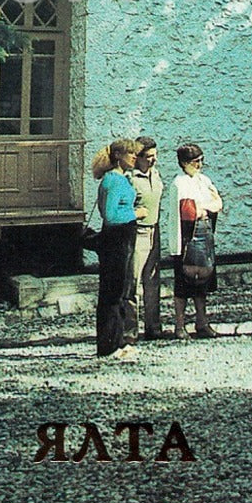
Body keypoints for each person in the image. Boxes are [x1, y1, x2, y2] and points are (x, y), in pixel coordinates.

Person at [92, 138, 146, 362]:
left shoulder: (122, 178)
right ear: (118, 156)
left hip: (124, 238)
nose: (134, 157)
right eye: (130, 154)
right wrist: (137, 214)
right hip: (116, 239)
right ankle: (107, 345)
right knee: (112, 293)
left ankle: (118, 340)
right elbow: (111, 216)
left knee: (121, 291)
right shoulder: (112, 181)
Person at [169, 142, 223, 341]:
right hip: (187, 236)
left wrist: (204, 207)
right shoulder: (179, 183)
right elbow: (188, 212)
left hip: (205, 232)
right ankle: (180, 325)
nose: (199, 164)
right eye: (195, 161)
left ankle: (202, 322)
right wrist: (203, 207)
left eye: (201, 160)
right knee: (184, 283)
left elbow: (218, 203)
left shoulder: (204, 180)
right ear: (184, 163)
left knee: (203, 282)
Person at [124, 136, 166, 342]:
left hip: (154, 231)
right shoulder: (130, 178)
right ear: (137, 158)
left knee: (152, 281)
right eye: (148, 157)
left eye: (154, 156)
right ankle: (130, 330)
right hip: (137, 232)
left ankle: (153, 327)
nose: (152, 161)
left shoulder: (156, 175)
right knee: (133, 281)